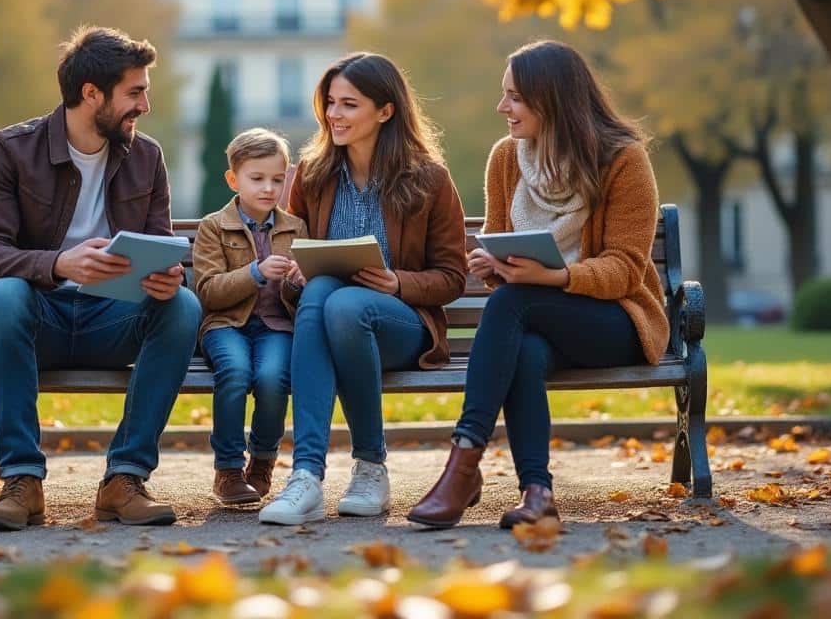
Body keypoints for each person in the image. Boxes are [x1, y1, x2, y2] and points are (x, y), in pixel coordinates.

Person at [407, 40, 668, 530]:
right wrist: (494, 265)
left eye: (514, 97)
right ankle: (537, 491)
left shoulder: (624, 159)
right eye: (504, 95)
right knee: (522, 347)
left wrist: (553, 276)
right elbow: (507, 252)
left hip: (616, 321)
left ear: (553, 100)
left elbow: (626, 269)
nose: (501, 107)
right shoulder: (507, 159)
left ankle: (463, 463)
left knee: (515, 305)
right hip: (533, 316)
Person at [0, 26, 200, 531]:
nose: (145, 105)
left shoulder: (147, 156)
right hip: (37, 319)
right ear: (91, 93)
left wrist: (166, 276)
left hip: (110, 321)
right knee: (3, 295)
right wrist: (58, 264)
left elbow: (160, 244)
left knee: (182, 306)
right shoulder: (10, 150)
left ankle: (125, 478)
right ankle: (22, 482)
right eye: (134, 92)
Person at [258, 53, 468, 525]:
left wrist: (398, 281)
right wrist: (298, 273)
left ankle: (371, 467)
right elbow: (298, 255)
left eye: (349, 104)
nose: (334, 114)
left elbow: (453, 276)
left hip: (400, 327)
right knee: (322, 294)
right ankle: (306, 477)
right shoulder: (312, 176)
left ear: (385, 111)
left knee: (347, 304)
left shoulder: (429, 179)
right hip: (325, 322)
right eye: (330, 103)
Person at [192, 128, 305, 506]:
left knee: (273, 377)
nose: (268, 188)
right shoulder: (213, 226)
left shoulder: (295, 227)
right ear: (233, 179)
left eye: (277, 179)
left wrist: (298, 281)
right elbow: (207, 291)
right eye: (257, 179)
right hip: (226, 326)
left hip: (277, 326)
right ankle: (227, 469)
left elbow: (299, 297)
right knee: (236, 372)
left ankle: (262, 460)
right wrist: (256, 272)